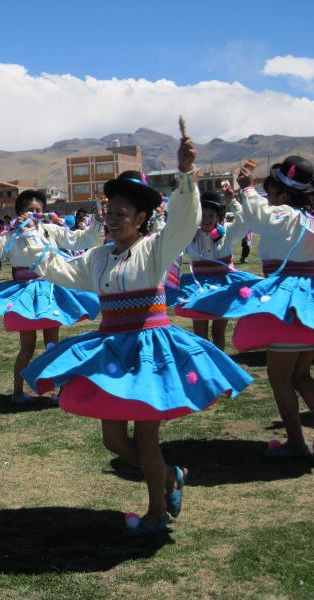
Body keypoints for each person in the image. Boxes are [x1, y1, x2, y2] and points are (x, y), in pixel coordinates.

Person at [19, 138, 252, 534]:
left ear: (142, 217)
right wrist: (31, 239)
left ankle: (156, 514)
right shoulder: (98, 257)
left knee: (145, 440)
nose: (111, 219)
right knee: (113, 439)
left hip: (149, 350)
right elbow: (60, 270)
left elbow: (183, 218)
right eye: (109, 212)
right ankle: (171, 477)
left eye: (121, 214)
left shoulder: (156, 249)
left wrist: (185, 175)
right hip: (112, 348)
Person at [183, 156, 314, 457]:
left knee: (281, 377)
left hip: (288, 302)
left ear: (281, 194)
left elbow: (260, 219)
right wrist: (243, 199)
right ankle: (295, 442)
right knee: (301, 375)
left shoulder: (283, 214)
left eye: (271, 192)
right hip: (309, 301)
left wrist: (248, 191)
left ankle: (295, 443)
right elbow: (240, 231)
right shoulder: (308, 219)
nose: (268, 197)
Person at [0, 189, 103, 404]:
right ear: (20, 212)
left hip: (51, 291)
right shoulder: (10, 236)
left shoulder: (51, 230)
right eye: (29, 210)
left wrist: (97, 224)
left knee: (52, 343)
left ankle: (58, 390)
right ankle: (18, 392)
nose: (34, 213)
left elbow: (80, 240)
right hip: (24, 294)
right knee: (27, 346)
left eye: (38, 210)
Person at [167, 190, 259, 350]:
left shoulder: (228, 234)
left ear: (218, 216)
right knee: (199, 333)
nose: (207, 219)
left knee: (218, 332)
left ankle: (220, 366)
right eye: (203, 215)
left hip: (224, 287)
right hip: (197, 288)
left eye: (211, 216)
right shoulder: (190, 236)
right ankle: (205, 366)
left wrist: (233, 202)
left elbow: (244, 221)